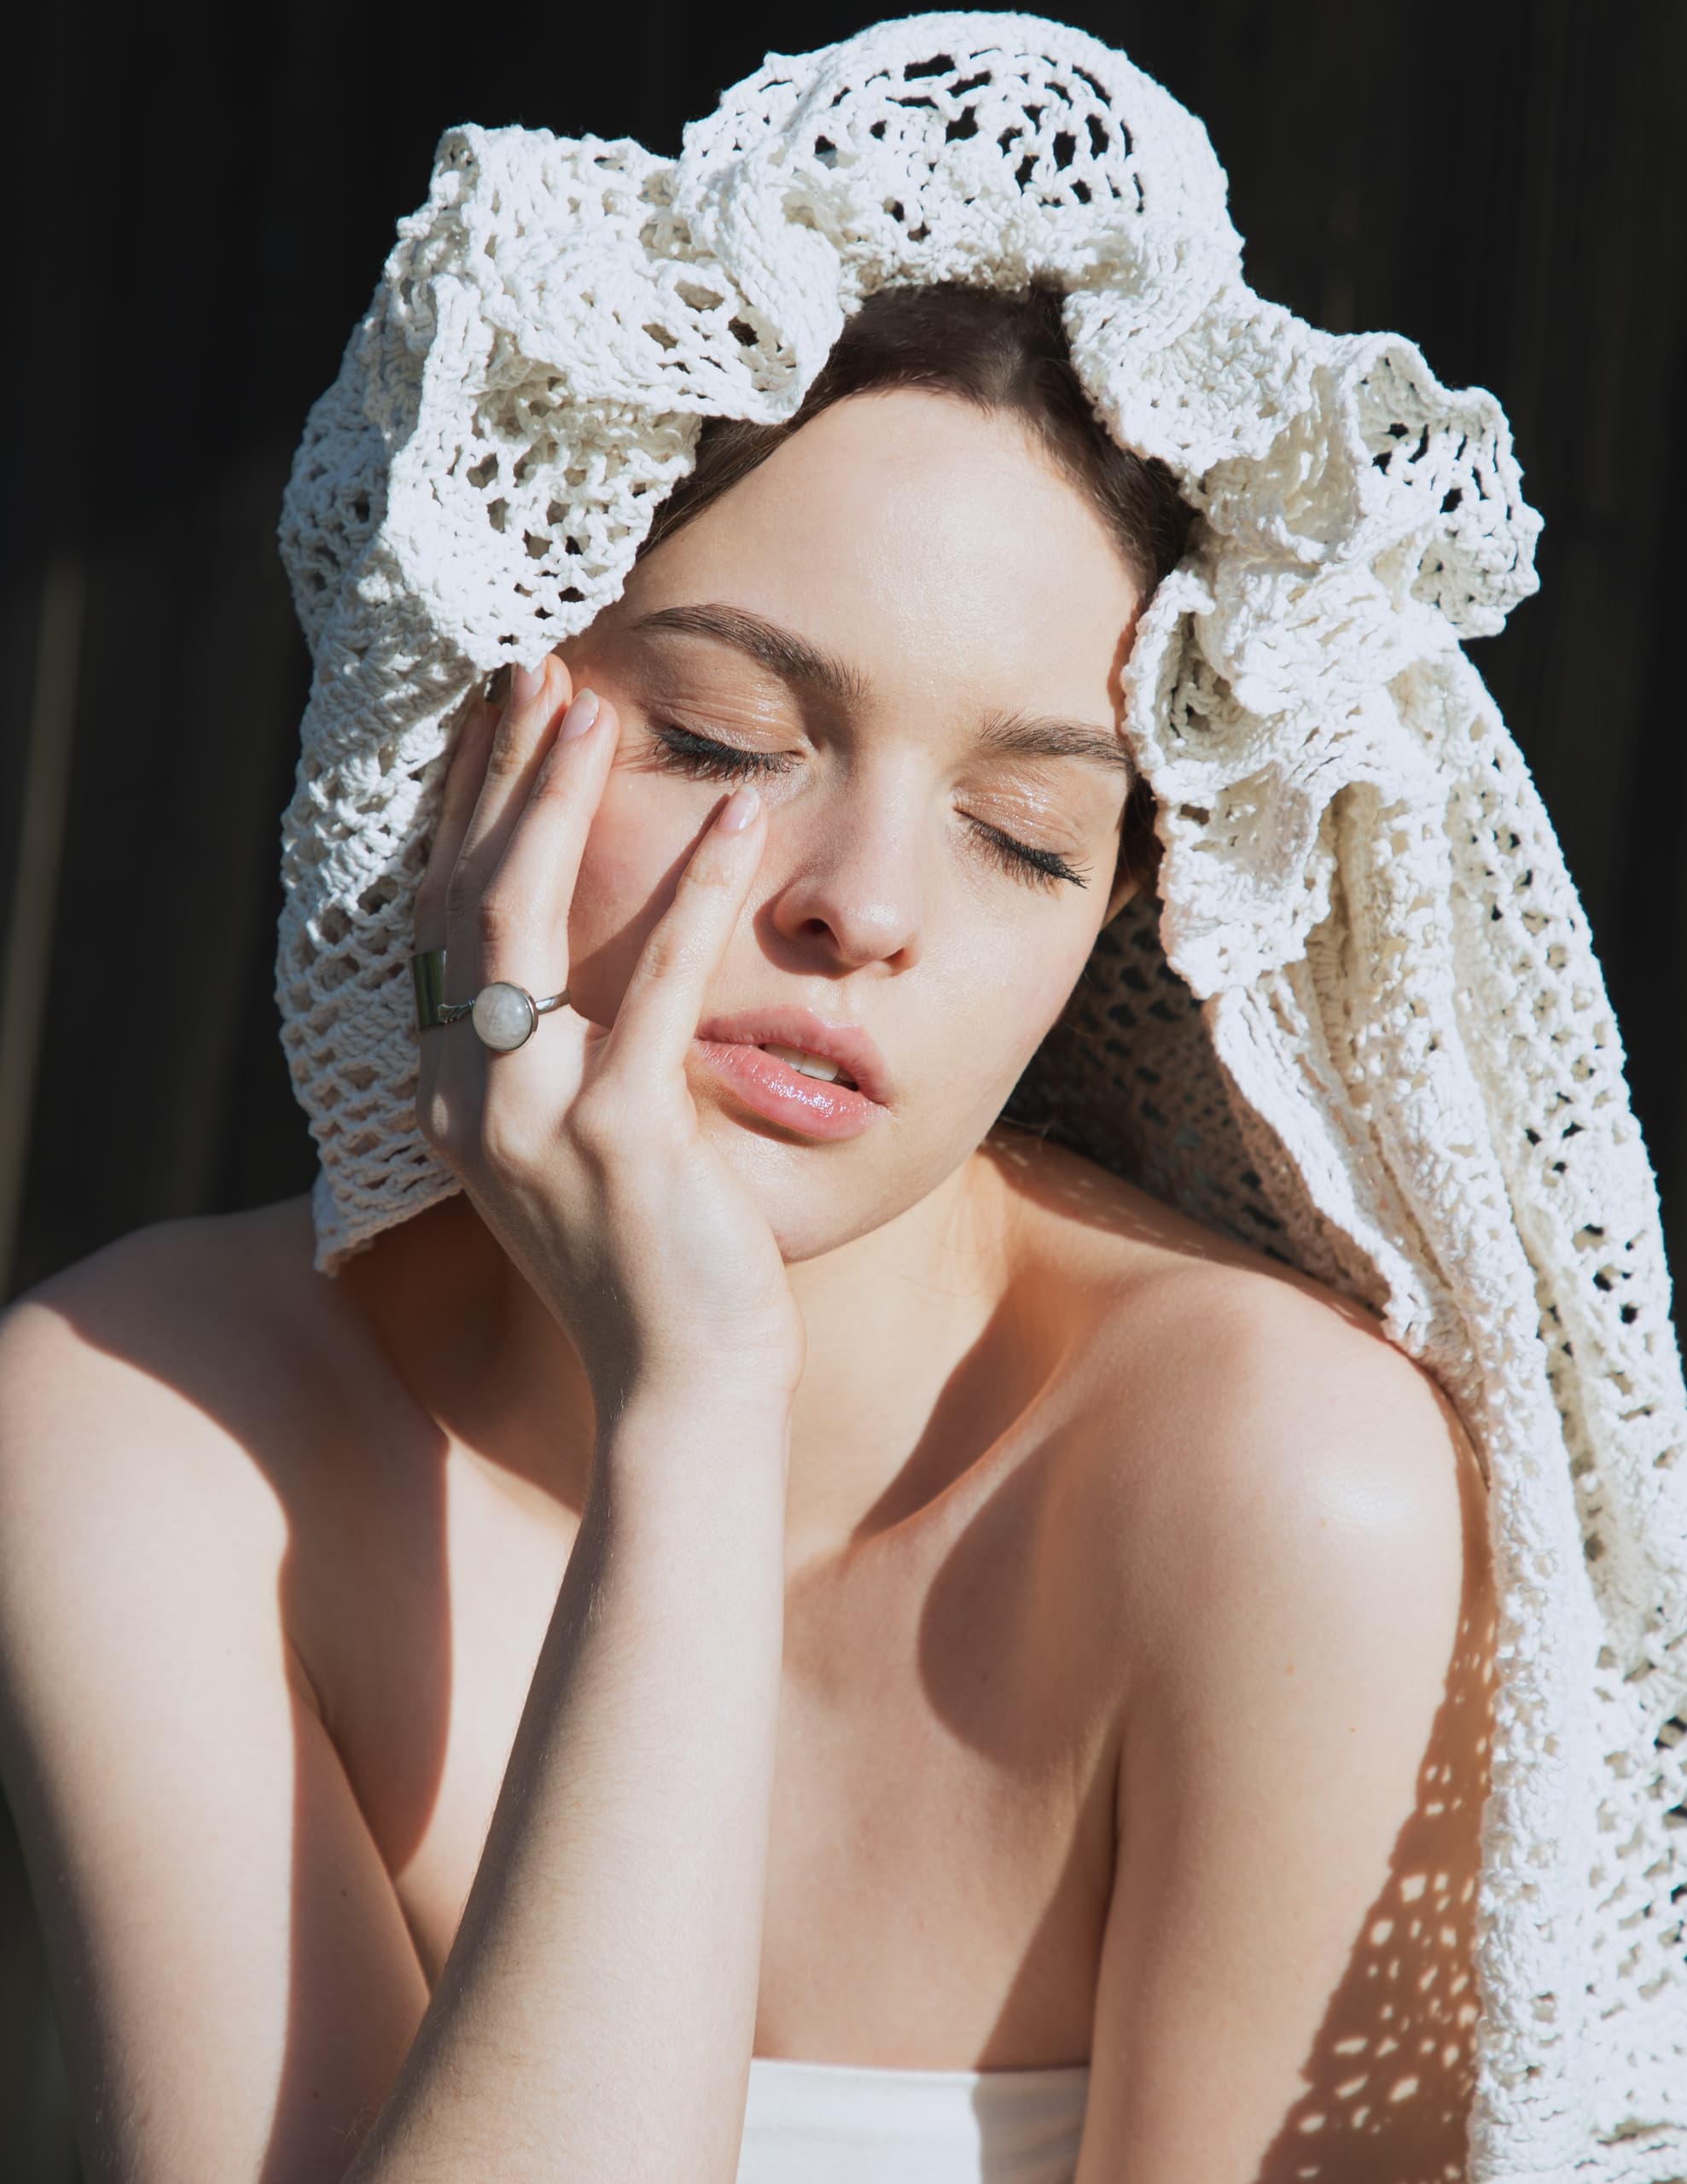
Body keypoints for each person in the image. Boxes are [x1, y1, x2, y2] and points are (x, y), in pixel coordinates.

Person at [1, 16, 1682, 2184]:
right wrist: (688, 1416)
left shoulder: (1273, 1488)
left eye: (1021, 832)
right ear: (450, 728)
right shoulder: (143, 1424)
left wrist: (687, 1386)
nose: (864, 907)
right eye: (715, 737)